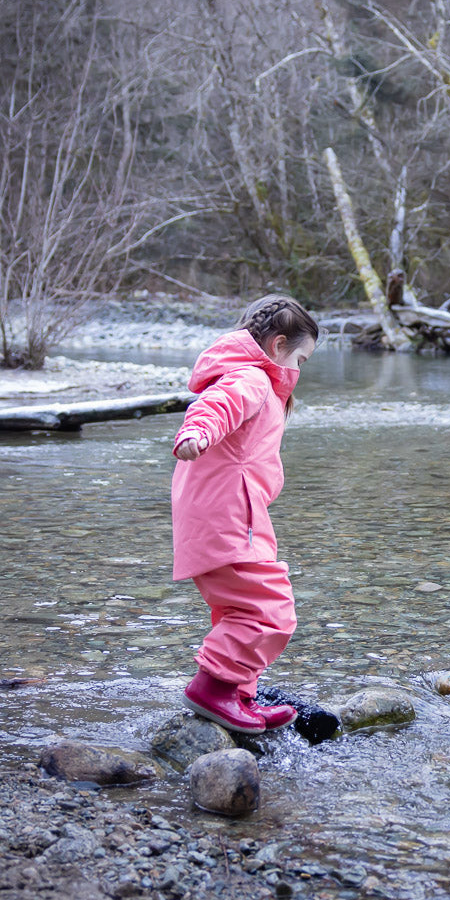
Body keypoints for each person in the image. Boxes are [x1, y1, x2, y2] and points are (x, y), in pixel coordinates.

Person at [170, 295, 319, 732]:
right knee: (272, 608)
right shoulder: (250, 380)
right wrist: (195, 432)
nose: (299, 370)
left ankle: (238, 694)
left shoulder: (259, 383)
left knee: (240, 607)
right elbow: (215, 406)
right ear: (277, 348)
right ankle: (212, 689)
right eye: (301, 359)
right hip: (228, 513)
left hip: (233, 511)